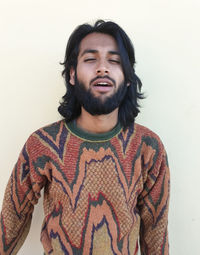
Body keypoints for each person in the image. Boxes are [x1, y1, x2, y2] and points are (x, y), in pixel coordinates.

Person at [0, 20, 170, 255]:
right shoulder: (42, 144)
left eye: (114, 60)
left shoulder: (148, 147)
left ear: (128, 77)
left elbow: (156, 234)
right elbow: (11, 220)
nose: (102, 68)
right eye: (90, 59)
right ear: (72, 74)